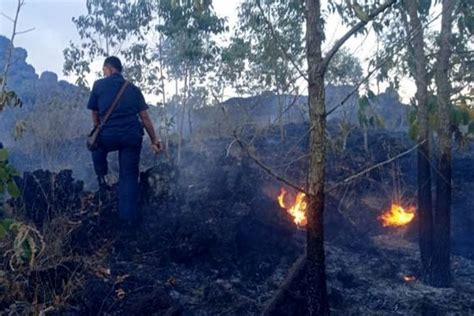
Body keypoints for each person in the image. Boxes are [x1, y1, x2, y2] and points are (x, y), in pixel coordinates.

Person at [87, 56, 161, 225]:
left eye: (104, 70)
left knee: (95, 147)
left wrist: (98, 128)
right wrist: (154, 140)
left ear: (109, 68)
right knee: (128, 176)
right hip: (131, 137)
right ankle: (128, 221)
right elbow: (145, 118)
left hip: (108, 136)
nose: (103, 73)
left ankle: (102, 179)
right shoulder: (133, 89)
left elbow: (94, 113)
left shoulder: (99, 85)